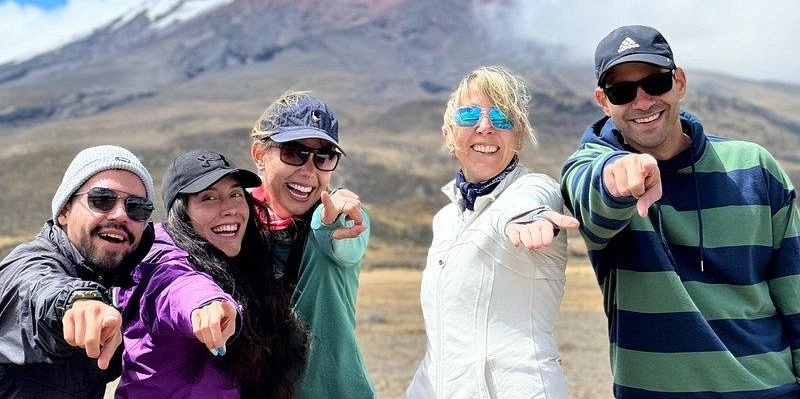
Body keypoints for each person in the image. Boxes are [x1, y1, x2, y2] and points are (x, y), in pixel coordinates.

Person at [561, 24, 800, 398]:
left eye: (655, 83)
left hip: (768, 389)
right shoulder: (589, 167)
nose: (642, 102)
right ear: (603, 102)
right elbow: (593, 204)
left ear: (680, 82)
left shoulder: (753, 167)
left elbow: (795, 291)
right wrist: (619, 179)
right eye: (621, 91)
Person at [407, 66, 580, 399]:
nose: (485, 127)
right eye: (470, 114)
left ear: (518, 138)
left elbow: (529, 201)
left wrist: (528, 218)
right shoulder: (446, 218)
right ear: (448, 133)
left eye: (502, 119)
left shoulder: (534, 188)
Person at [117, 149, 307, 398]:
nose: (230, 209)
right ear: (182, 212)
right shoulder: (157, 259)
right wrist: (206, 305)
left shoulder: (238, 263)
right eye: (208, 198)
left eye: (235, 194)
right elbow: (175, 286)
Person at [0, 145, 155, 398]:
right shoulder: (29, 263)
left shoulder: (116, 279)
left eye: (137, 208)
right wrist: (78, 301)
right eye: (102, 200)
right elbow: (36, 288)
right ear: (64, 211)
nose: (120, 215)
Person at [249, 91, 374, 399]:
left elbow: (342, 239)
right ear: (259, 155)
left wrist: (332, 223)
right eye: (294, 152)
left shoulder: (339, 217)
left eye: (324, 157)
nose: (308, 170)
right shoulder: (235, 225)